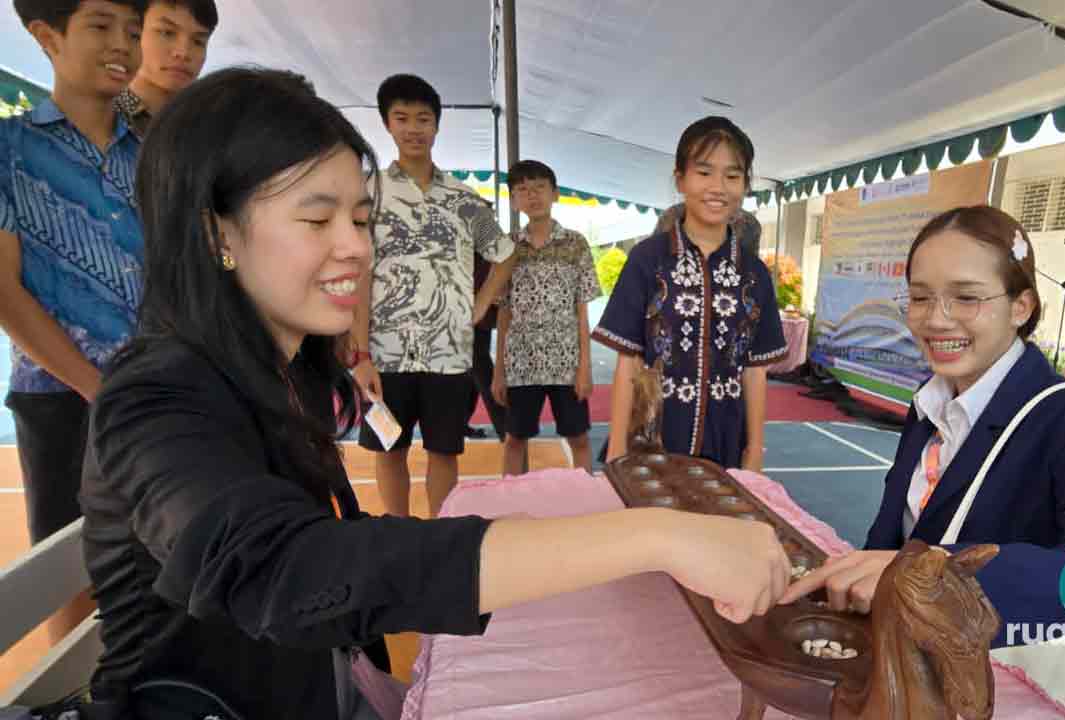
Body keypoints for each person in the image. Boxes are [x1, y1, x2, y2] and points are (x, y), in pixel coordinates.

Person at [68, 66, 790, 720]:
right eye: (318, 220)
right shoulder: (156, 396)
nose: (357, 247)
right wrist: (655, 534)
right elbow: (286, 572)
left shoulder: (277, 371)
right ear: (215, 231)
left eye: (359, 219)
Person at [783, 206, 1065, 718]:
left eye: (967, 297)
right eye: (919, 297)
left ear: (1021, 305)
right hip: (907, 677)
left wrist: (932, 577)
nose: (936, 318)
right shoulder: (930, 403)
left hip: (1002, 688)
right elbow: (891, 540)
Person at [1, 0, 145, 641]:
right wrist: (97, 386)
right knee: (72, 572)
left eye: (133, 31)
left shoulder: (157, 153)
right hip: (59, 398)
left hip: (160, 392)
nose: (124, 45)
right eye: (102, 25)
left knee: (169, 561)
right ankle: (75, 706)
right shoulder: (9, 148)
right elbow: (3, 293)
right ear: (45, 35)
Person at [350, 73, 514, 518]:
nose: (413, 128)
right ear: (387, 124)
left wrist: (480, 307)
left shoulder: (463, 198)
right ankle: (398, 530)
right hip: (387, 353)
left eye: (423, 118)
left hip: (450, 352)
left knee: (445, 451)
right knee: (390, 448)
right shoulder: (369, 194)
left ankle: (439, 532)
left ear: (437, 126)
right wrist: (360, 353)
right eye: (401, 118)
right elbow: (360, 274)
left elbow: (504, 254)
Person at [593, 116, 786, 471]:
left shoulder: (754, 274)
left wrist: (754, 454)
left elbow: (755, 372)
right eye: (704, 172)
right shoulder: (648, 260)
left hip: (727, 440)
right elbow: (629, 363)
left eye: (732, 175)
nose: (718, 187)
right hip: (653, 438)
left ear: (745, 185)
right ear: (681, 179)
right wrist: (617, 453)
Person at [493, 159, 599, 475]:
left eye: (539, 187)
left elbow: (583, 309)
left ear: (554, 194)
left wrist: (585, 368)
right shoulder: (508, 247)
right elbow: (503, 311)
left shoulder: (575, 243)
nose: (532, 195)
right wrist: (499, 370)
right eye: (522, 190)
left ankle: (584, 505)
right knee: (514, 440)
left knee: (578, 438)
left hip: (566, 363)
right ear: (514, 200)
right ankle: (511, 508)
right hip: (521, 365)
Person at [112, 0, 217, 136]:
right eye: (166, 33)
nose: (183, 52)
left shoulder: (211, 125)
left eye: (198, 42)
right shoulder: (99, 116)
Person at [465, 249, 507, 440]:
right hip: (475, 311)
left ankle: (505, 427)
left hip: (476, 311)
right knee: (476, 370)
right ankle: (505, 428)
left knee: (477, 369)